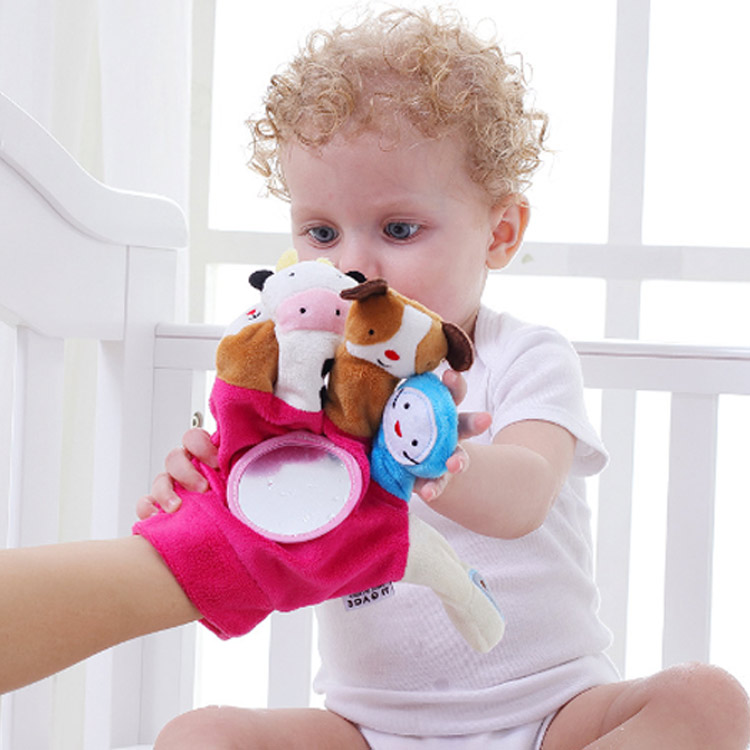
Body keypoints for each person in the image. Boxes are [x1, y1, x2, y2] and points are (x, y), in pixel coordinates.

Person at [137, 7, 750, 750]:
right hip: (371, 729)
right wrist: (208, 485)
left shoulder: (526, 356)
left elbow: (526, 492)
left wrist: (427, 454)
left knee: (706, 699)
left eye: (399, 229)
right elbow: (266, 517)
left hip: (552, 715)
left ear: (500, 233)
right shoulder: (303, 382)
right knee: (198, 734)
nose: (352, 265)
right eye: (322, 232)